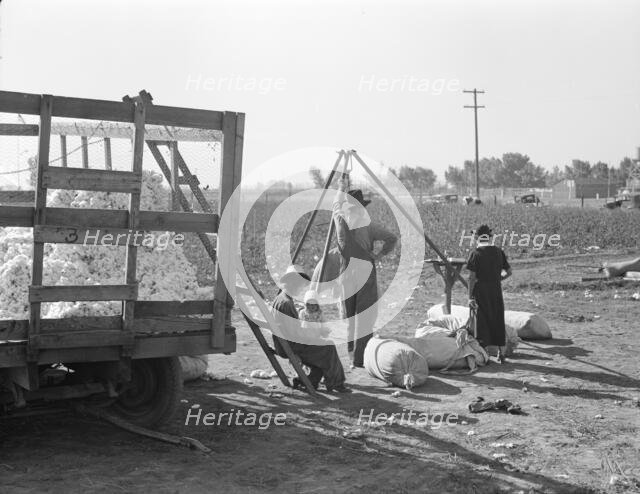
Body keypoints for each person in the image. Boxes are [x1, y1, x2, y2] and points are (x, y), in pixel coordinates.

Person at [332, 178, 397, 368]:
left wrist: (340, 184)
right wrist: (378, 254)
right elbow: (391, 238)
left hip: (346, 271)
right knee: (365, 314)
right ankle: (361, 357)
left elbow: (336, 201)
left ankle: (351, 353)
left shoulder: (339, 216)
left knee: (349, 313)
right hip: (364, 270)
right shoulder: (368, 225)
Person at [271, 265, 350, 393]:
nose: (301, 287)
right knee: (328, 346)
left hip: (282, 344)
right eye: (299, 284)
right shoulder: (286, 303)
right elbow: (295, 333)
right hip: (289, 345)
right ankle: (336, 383)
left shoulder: (280, 299)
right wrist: (313, 336)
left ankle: (307, 382)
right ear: (291, 283)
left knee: (320, 356)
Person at [466, 225, 513, 363]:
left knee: (482, 321)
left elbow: (471, 278)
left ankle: (485, 354)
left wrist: (469, 297)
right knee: (498, 318)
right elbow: (509, 272)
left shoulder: (475, 253)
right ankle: (501, 353)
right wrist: (498, 279)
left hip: (481, 291)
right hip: (496, 290)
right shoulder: (499, 252)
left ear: (477, 238)